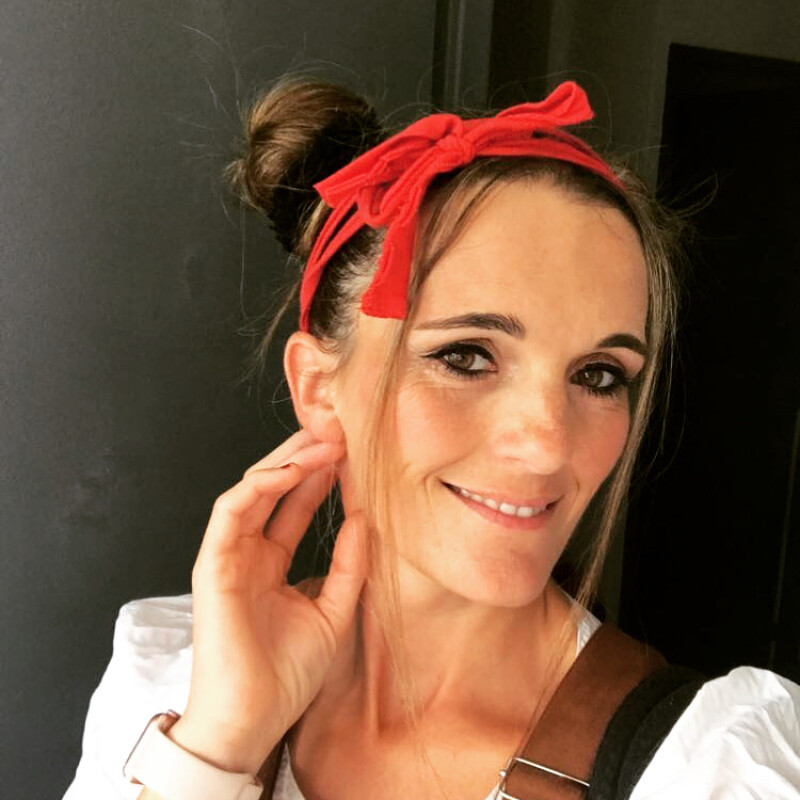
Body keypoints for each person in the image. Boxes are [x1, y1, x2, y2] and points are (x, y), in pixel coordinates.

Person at [64, 79, 800, 800]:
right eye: (466, 357)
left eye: (599, 375)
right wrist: (218, 746)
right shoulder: (175, 688)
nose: (547, 446)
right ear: (319, 389)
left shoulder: (708, 769)